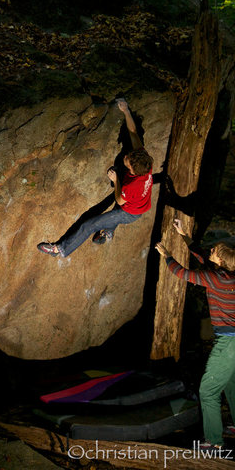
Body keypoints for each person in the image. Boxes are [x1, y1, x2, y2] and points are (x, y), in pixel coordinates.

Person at [37, 98, 153, 258]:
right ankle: (108, 231)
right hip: (138, 205)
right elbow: (133, 132)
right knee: (112, 214)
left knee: (89, 225)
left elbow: (120, 201)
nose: (126, 156)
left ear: (132, 170)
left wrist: (116, 180)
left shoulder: (131, 186)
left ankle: (60, 249)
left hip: (130, 212)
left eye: (128, 160)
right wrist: (126, 110)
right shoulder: (144, 162)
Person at [156, 220, 235, 451]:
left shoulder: (216, 279)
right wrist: (183, 234)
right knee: (230, 384)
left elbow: (182, 273)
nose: (211, 249)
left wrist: (167, 255)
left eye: (215, 251)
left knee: (208, 391)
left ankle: (214, 443)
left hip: (229, 342)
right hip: (234, 341)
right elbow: (201, 254)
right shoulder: (227, 274)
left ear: (220, 260)